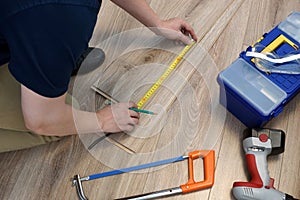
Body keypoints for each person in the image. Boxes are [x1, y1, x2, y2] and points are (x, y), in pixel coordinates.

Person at [0, 0, 197, 152]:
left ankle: (50, 59)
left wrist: (157, 23)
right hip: (48, 23)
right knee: (62, 119)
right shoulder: (59, 17)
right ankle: (49, 59)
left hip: (30, 21)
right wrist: (102, 120)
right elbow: (41, 120)